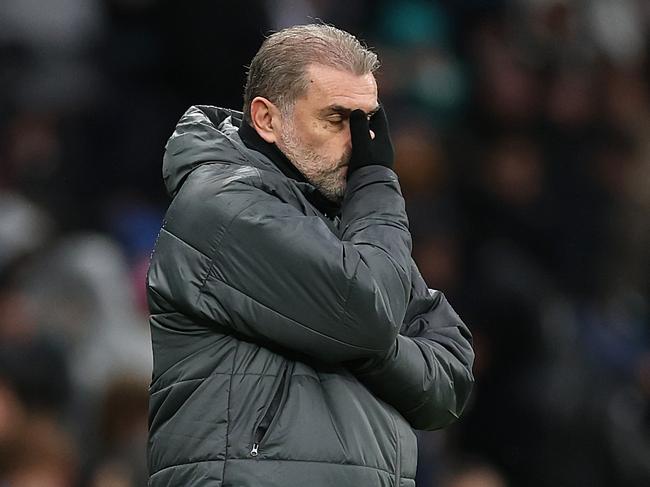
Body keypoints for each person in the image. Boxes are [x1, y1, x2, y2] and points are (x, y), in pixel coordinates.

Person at [146, 24, 474, 487]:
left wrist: (356, 338)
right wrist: (378, 183)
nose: (361, 148)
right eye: (337, 120)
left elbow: (449, 378)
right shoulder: (220, 206)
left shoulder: (349, 228)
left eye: (369, 124)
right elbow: (370, 313)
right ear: (266, 119)